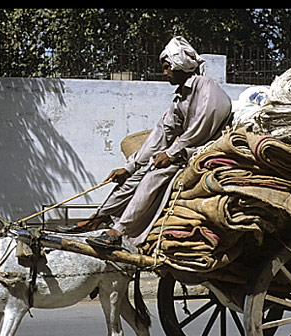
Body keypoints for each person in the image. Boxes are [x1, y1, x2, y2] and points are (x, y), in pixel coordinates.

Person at [61, 36, 232, 251]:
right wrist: (129, 167)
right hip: (181, 152)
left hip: (201, 152)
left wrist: (172, 153)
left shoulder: (206, 87)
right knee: (133, 177)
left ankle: (120, 232)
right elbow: (161, 134)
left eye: (167, 67)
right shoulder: (180, 98)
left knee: (155, 175)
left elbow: (200, 129)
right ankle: (100, 217)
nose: (164, 72)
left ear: (179, 65)